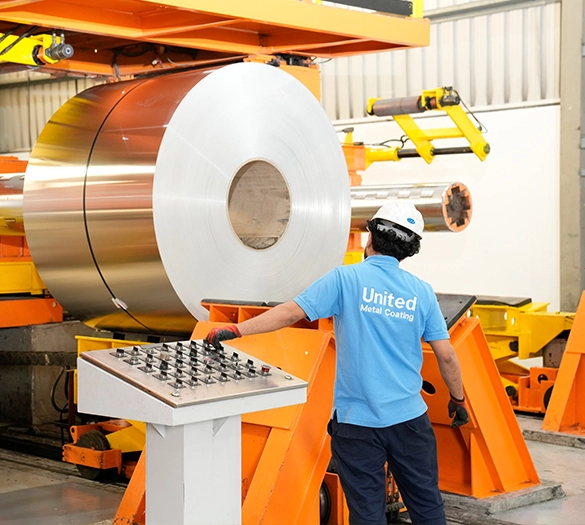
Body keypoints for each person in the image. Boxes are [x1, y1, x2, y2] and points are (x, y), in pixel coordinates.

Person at [206, 201, 469, 525]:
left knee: (367, 516)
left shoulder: (346, 279)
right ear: (409, 251)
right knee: (428, 509)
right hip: (409, 422)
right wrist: (458, 399)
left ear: (370, 237)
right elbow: (446, 355)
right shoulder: (422, 292)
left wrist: (238, 329)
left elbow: (290, 312)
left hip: (356, 424)